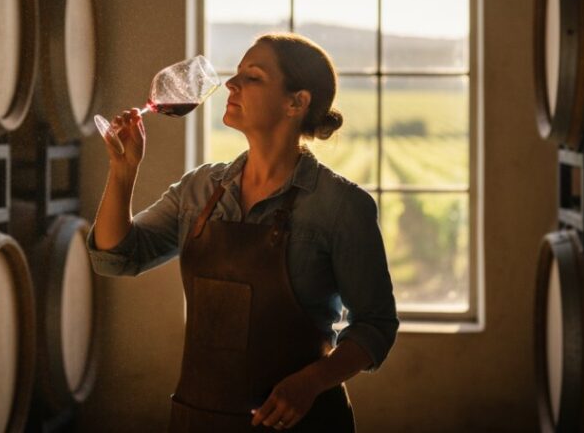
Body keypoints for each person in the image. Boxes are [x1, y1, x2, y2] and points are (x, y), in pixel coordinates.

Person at [88, 33, 398, 432]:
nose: (231, 84)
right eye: (236, 74)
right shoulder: (198, 189)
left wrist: (310, 383)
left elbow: (376, 324)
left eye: (252, 77)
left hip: (300, 423)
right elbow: (115, 258)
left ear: (296, 102)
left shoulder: (341, 206)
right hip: (199, 419)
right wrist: (123, 171)